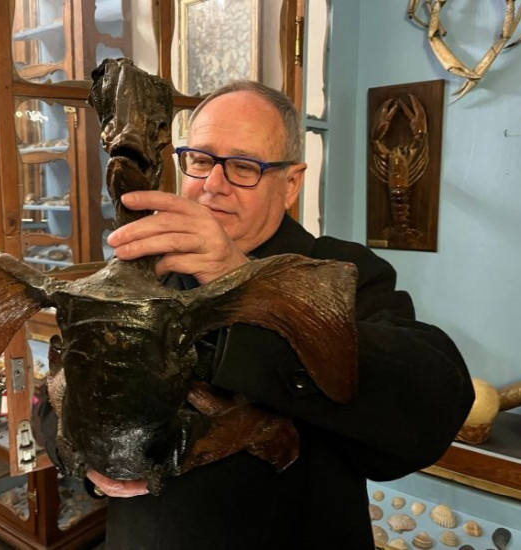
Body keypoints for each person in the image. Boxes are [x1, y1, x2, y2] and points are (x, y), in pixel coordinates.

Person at [84, 81, 474, 549]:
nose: (213, 185)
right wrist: (90, 458)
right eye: (201, 160)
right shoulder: (143, 268)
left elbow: (431, 407)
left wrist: (241, 281)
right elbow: (60, 395)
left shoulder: (344, 270)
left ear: (291, 183)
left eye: (244, 167)